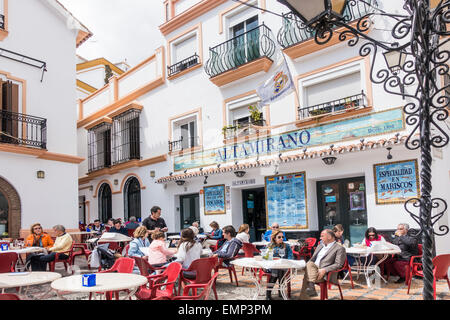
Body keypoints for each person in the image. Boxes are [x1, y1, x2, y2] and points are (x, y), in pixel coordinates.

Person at [298, 229, 346, 299]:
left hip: (324, 275)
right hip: (313, 271)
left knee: (307, 273)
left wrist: (325, 270)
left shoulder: (339, 248)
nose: (320, 238)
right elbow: (313, 259)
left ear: (329, 237)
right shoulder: (320, 246)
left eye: (322, 236)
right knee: (309, 264)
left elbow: (338, 264)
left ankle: (310, 287)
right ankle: (311, 286)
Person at [265, 230, 294, 300]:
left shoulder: (286, 246)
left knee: (280, 271)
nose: (281, 238)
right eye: (279, 237)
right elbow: (266, 257)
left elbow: (290, 256)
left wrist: (287, 261)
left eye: (282, 237)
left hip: (283, 265)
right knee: (276, 272)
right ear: (275, 238)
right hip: (273, 266)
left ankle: (270, 293)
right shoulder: (270, 246)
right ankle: (275, 292)